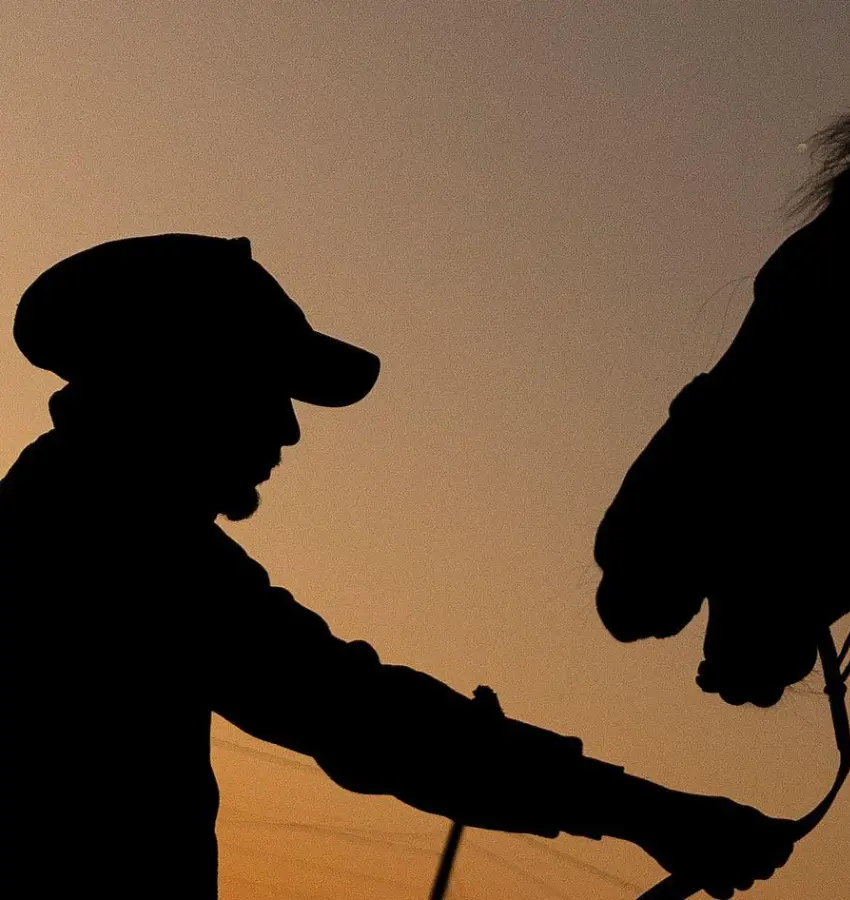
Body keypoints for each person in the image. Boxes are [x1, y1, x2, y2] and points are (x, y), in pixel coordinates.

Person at [0, 234, 793, 899]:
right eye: (264, 391)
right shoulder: (119, 551)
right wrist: (658, 815)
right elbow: (361, 716)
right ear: (177, 386)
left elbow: (357, 712)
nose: (288, 432)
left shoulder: (91, 527)